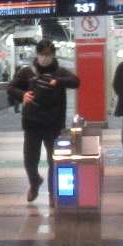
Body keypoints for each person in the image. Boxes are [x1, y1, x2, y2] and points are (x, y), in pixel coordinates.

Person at [19, 41, 79, 204]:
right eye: (43, 54)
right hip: (32, 123)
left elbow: (76, 82)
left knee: (55, 159)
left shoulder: (60, 72)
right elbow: (12, 88)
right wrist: (21, 95)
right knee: (30, 160)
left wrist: (58, 81)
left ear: (53, 55)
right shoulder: (27, 72)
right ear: (37, 54)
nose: (46, 58)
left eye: (49, 54)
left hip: (54, 123)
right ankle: (34, 181)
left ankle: (53, 192)